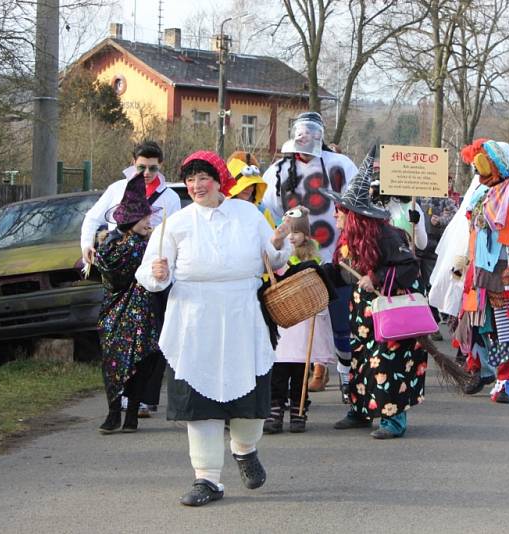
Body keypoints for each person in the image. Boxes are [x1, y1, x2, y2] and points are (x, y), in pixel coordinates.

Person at [135, 150, 292, 506]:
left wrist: (280, 242)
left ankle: (245, 449)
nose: (195, 186)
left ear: (219, 180)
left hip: (242, 314)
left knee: (249, 394)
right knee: (199, 400)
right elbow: (149, 273)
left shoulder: (247, 214)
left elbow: (275, 257)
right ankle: (206, 479)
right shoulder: (175, 223)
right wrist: (157, 275)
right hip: (194, 319)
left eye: (203, 178)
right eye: (189, 180)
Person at [321, 145, 429, 439]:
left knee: (388, 364)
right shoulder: (350, 240)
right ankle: (360, 411)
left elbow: (409, 268)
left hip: (391, 313)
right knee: (360, 361)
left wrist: (377, 277)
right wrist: (315, 272)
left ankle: (394, 421)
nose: (335, 217)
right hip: (364, 315)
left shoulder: (387, 235)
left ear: (353, 215)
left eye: (339, 212)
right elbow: (343, 272)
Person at [262, 111, 357, 402]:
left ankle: (346, 376)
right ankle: (292, 392)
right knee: (295, 330)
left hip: (335, 260)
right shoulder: (277, 171)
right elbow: (267, 214)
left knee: (342, 325)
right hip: (295, 265)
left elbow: (354, 208)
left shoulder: (339, 165)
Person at [82, 141, 181, 417]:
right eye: (141, 167)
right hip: (122, 275)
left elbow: (173, 233)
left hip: (154, 273)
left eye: (152, 167)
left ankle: (147, 399)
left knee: (154, 338)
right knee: (119, 336)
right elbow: (92, 219)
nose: (147, 172)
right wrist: (86, 248)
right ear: (133, 163)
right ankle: (122, 395)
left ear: (160, 165)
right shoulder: (116, 189)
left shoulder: (169, 197)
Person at [452, 139, 509, 402]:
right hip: (481, 270)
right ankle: (487, 372)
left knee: (508, 326)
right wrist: (466, 264)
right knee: (480, 325)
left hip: (508, 270)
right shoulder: (482, 194)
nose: (480, 173)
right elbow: (473, 232)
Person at [93, 174, 164, 434]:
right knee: (114, 361)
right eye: (145, 218)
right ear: (132, 220)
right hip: (116, 314)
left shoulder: (147, 243)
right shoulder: (117, 245)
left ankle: (131, 413)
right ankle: (114, 413)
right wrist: (144, 244)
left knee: (145, 360)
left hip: (145, 314)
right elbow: (112, 270)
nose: (149, 221)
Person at [263, 206, 334, 434]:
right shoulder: (277, 254)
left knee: (299, 370)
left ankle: (299, 409)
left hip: (303, 319)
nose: (292, 237)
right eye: (288, 232)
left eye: (296, 232)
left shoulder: (313, 256)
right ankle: (275, 411)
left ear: (305, 234)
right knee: (279, 370)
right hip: (284, 318)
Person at [416, 185, 459, 339]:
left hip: (432, 246)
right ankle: (414, 325)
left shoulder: (440, 195)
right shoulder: (411, 192)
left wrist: (441, 220)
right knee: (415, 287)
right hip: (412, 246)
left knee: (431, 284)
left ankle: (432, 323)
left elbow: (455, 213)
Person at [226, 151, 276, 228]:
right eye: (244, 184)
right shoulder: (221, 209)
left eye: (252, 184)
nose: (249, 188)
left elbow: (271, 237)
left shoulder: (261, 212)